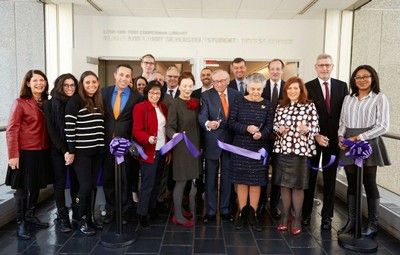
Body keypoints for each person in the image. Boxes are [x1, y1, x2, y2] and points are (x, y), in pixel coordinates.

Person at [337, 65, 390, 237]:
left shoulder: (379, 98)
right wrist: (340, 137)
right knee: (352, 183)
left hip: (368, 142)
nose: (361, 80)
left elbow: (383, 125)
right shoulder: (348, 98)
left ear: (373, 78)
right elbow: (343, 121)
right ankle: (353, 221)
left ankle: (373, 224)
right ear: (354, 80)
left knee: (369, 183)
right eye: (357, 77)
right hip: (349, 142)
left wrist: (359, 138)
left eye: (365, 76)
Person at [302, 54, 348, 230]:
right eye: (321, 65)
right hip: (313, 139)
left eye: (327, 65)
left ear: (332, 66)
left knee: (330, 179)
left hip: (334, 140)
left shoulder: (342, 86)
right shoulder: (308, 87)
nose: (324, 68)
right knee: (310, 177)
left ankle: (327, 217)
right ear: (316, 67)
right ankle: (306, 215)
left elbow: (345, 114)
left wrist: (342, 135)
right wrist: (315, 135)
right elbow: (304, 115)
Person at [6, 70, 51, 239]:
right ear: (28, 83)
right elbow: (12, 129)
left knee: (35, 186)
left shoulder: (46, 103)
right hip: (24, 152)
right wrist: (13, 154)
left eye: (42, 80)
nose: (40, 83)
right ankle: (21, 222)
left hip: (42, 151)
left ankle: (30, 216)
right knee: (22, 189)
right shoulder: (20, 102)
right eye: (35, 80)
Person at [272, 77, 320, 235]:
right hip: (283, 150)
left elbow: (316, 128)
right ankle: (285, 217)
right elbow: (275, 125)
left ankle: (297, 218)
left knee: (298, 186)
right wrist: (279, 129)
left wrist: (307, 130)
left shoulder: (309, 106)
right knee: (284, 185)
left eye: (296, 88)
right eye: (289, 88)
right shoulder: (281, 106)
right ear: (286, 91)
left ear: (301, 91)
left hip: (300, 152)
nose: (292, 91)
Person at [228, 73, 273, 231]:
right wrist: (246, 128)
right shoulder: (238, 101)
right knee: (241, 181)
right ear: (247, 87)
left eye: (259, 89)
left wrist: (262, 133)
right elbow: (231, 123)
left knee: (256, 182)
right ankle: (241, 213)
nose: (255, 92)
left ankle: (252, 215)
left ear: (263, 88)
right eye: (253, 88)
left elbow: (269, 126)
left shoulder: (267, 104)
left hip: (259, 148)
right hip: (240, 147)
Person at [65, 71, 105, 236]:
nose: (91, 85)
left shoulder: (98, 100)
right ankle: (80, 218)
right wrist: (71, 151)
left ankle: (90, 218)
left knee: (93, 186)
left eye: (94, 82)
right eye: (87, 82)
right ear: (82, 84)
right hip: (81, 153)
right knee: (85, 186)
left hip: (97, 152)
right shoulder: (75, 100)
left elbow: (100, 127)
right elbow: (69, 128)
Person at [198, 69, 240, 223]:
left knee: (227, 177)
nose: (218, 84)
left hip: (231, 142)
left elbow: (239, 116)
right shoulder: (206, 95)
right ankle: (209, 211)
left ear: (228, 81)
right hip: (212, 141)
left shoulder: (237, 95)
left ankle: (225, 210)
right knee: (210, 178)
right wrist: (208, 123)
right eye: (215, 81)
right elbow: (202, 116)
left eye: (222, 81)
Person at [102, 64, 142, 224]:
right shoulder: (103, 93)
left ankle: (124, 211)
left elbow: (136, 122)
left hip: (125, 145)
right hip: (106, 144)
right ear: (115, 75)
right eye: (121, 75)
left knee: (125, 178)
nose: (124, 78)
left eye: (127, 76)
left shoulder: (136, 97)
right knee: (108, 178)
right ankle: (111, 209)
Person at [43, 73, 79, 232]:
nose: (70, 88)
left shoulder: (78, 102)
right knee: (60, 183)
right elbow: (52, 131)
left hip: (76, 149)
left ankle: (77, 212)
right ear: (59, 86)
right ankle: (63, 214)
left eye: (72, 85)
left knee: (76, 182)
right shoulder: (49, 104)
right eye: (66, 85)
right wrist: (65, 151)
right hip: (58, 150)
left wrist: (72, 150)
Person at [166, 72, 201, 227]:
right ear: (179, 86)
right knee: (181, 181)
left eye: (190, 85)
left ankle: (180, 208)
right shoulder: (175, 103)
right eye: (184, 85)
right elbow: (169, 127)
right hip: (182, 147)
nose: (187, 88)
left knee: (188, 181)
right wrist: (174, 135)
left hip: (194, 148)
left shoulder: (196, 102)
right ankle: (178, 216)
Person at [132, 80, 168, 229]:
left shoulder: (163, 107)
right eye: (152, 92)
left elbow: (165, 130)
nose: (155, 95)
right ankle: (142, 214)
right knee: (147, 184)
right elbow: (136, 130)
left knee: (157, 183)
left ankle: (151, 210)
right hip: (148, 151)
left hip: (162, 150)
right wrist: (147, 138)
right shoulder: (140, 107)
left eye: (157, 92)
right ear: (147, 93)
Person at [258, 59, 286, 219]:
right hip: (263, 138)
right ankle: (261, 203)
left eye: (278, 69)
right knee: (261, 170)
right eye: (272, 69)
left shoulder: (289, 87)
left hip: (282, 139)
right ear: (269, 70)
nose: (275, 71)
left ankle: (274, 205)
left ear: (282, 70)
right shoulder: (261, 87)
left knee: (278, 173)